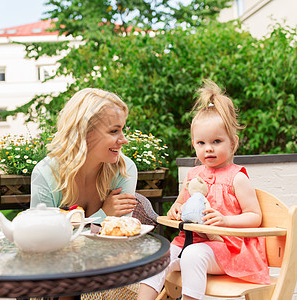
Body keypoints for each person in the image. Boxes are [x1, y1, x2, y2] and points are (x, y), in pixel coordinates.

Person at [137, 80, 270, 300]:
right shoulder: (192, 176)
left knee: (192, 255)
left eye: (217, 141)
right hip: (187, 241)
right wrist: (175, 211)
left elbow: (255, 216)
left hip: (226, 247)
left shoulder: (237, 177)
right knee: (157, 257)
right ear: (193, 144)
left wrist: (225, 221)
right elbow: (180, 203)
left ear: (233, 143)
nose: (208, 148)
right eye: (201, 143)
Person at [31, 88, 139, 221]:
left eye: (122, 130)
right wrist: (103, 215)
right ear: (84, 132)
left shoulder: (124, 169)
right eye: (113, 131)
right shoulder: (46, 173)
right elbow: (43, 235)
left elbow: (121, 232)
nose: (124, 140)